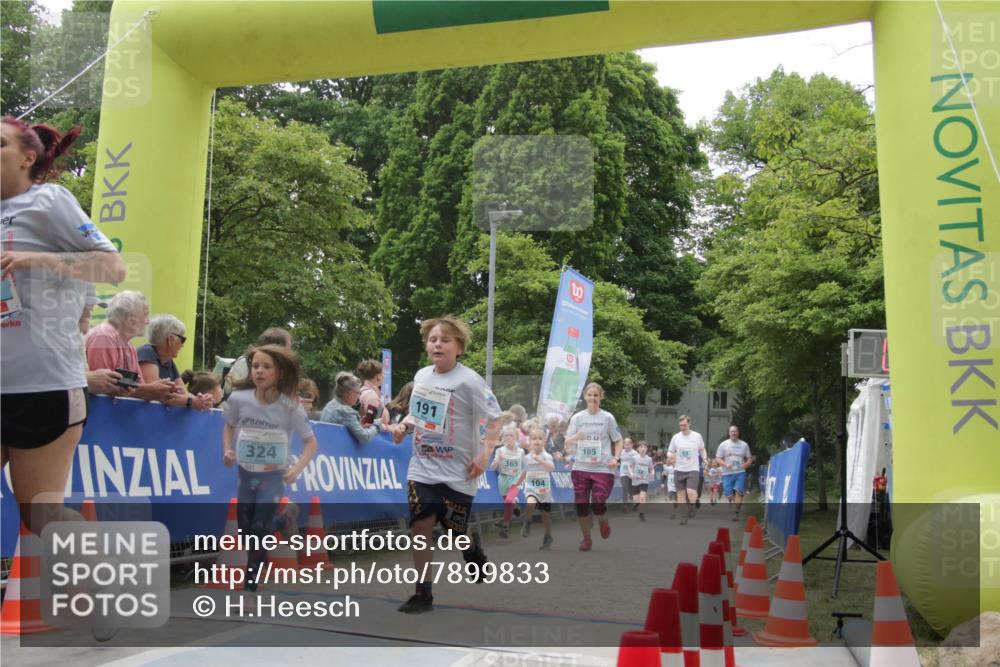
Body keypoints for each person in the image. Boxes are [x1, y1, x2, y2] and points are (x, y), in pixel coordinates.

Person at [1, 117, 126, 535]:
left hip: (44, 386)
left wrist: (39, 260)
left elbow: (113, 268)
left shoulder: (48, 201)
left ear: (27, 158)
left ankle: (102, 574)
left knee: (40, 517)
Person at [390, 315, 502, 614]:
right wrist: (405, 427)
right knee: (420, 526)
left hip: (459, 470)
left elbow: (495, 419)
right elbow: (419, 415)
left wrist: (485, 454)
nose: (437, 344)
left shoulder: (469, 381)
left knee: (454, 530)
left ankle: (471, 547)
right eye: (432, 339)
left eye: (445, 339)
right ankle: (422, 594)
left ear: (459, 348)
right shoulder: (423, 376)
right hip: (423, 466)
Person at [222, 344, 317, 593]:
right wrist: (227, 449)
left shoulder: (290, 407)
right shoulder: (238, 398)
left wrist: (296, 468)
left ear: (281, 373)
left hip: (273, 476)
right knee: (246, 532)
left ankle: (249, 588)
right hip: (246, 473)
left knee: (258, 530)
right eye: (255, 366)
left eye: (266, 367)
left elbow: (310, 442)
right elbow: (229, 426)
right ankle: (284, 519)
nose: (259, 371)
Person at [85, 291, 178, 403]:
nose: (148, 321)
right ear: (131, 318)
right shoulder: (103, 337)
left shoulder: (129, 346)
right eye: (145, 315)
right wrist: (150, 390)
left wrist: (158, 389)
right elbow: (103, 389)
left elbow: (138, 385)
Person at [564, 382, 623, 551]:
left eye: (596, 395)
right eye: (590, 395)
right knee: (581, 505)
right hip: (581, 467)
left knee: (598, 500)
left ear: (601, 397)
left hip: (602, 468)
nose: (593, 398)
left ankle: (602, 520)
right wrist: (575, 437)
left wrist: (616, 458)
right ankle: (586, 539)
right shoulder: (577, 418)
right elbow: (567, 443)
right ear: (585, 397)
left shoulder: (608, 418)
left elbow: (618, 439)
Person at [138, 314, 214, 410]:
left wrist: (201, 400)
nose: (182, 345)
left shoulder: (168, 361)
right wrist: (191, 401)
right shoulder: (147, 352)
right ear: (170, 339)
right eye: (182, 339)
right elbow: (157, 392)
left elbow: (182, 392)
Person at [223, 327, 292, 398]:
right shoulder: (246, 362)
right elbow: (228, 390)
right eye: (289, 346)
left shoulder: (285, 366)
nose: (290, 350)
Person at [667, 415, 707, 525]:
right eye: (680, 425)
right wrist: (671, 456)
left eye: (684, 425)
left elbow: (702, 449)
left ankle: (692, 505)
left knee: (690, 491)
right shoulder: (676, 437)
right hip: (679, 469)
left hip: (693, 468)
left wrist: (705, 459)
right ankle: (684, 516)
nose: (682, 427)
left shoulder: (697, 436)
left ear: (689, 424)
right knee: (680, 494)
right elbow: (670, 451)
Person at [320, 372, 381, 445]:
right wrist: (377, 426)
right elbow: (364, 437)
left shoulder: (330, 405)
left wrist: (360, 424)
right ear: (349, 393)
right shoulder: (346, 411)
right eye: (358, 393)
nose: (359, 397)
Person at [521, 426, 555, 549]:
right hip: (531, 488)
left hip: (544, 490)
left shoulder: (546, 456)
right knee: (530, 503)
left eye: (540, 438)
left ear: (544, 441)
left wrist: (540, 460)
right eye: (534, 438)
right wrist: (516, 484)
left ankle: (548, 536)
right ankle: (528, 521)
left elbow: (551, 468)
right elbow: (524, 472)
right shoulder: (526, 458)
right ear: (530, 441)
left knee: (545, 515)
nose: (537, 441)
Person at [489, 424, 525, 539]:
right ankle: (516, 507)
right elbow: (492, 468)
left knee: (509, 500)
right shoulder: (500, 450)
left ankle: (505, 527)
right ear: (503, 438)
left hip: (515, 479)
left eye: (511, 435)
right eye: (506, 435)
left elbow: (526, 467)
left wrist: (521, 479)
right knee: (509, 503)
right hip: (503, 479)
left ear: (516, 438)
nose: (509, 437)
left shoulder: (521, 452)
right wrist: (499, 460)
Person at [716, 424, 754, 521]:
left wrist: (746, 464)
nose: (733, 433)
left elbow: (750, 459)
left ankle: (736, 513)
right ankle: (732, 497)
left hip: (740, 472)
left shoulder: (744, 445)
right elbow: (718, 458)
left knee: (739, 492)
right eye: (731, 431)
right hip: (727, 473)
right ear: (729, 433)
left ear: (738, 433)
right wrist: (725, 464)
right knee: (728, 493)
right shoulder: (723, 444)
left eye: (735, 431)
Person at [356, 359, 390, 429]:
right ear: (378, 376)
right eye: (383, 374)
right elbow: (371, 423)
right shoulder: (371, 395)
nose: (384, 376)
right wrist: (389, 428)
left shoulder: (366, 392)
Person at [631, 441, 654, 521]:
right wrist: (631, 474)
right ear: (637, 449)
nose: (643, 448)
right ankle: (636, 504)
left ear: (647, 449)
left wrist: (652, 473)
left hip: (644, 480)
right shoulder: (634, 457)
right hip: (635, 480)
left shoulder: (649, 459)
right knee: (636, 499)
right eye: (641, 447)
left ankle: (642, 513)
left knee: (642, 497)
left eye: (645, 447)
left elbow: (651, 469)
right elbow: (630, 467)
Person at [618, 437, 637, 513]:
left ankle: (633, 500)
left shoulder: (634, 453)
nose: (626, 446)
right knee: (624, 487)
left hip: (631, 473)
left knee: (631, 488)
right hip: (623, 473)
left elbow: (636, 463)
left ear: (632, 445)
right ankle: (625, 505)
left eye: (628, 445)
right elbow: (617, 459)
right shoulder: (621, 452)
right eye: (625, 445)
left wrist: (632, 472)